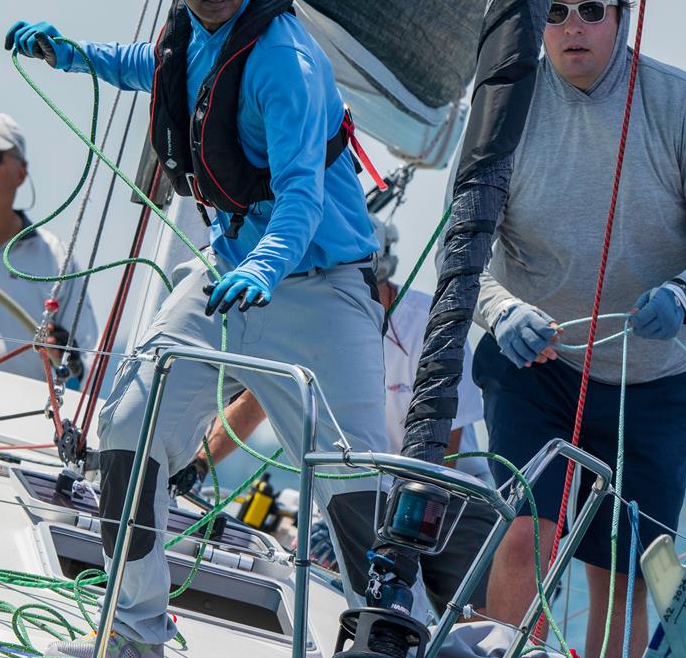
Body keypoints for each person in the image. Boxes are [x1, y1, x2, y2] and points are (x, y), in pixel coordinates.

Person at [6, 0, 390, 658]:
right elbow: (153, 68)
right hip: (226, 273)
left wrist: (263, 267)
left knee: (358, 480)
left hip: (318, 287)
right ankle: (136, 633)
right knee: (125, 428)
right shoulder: (192, 32)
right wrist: (71, 54)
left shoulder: (286, 62)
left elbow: (299, 199)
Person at [471, 0, 686, 658]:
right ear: (539, 25)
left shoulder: (679, 101)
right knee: (527, 537)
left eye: (592, 11)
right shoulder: (505, 105)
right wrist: (502, 313)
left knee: (624, 574)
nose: (574, 27)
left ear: (621, 20)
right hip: (539, 364)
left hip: (654, 378)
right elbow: (462, 251)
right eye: (557, 13)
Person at [172, 217, 494, 618]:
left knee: (470, 630)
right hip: (370, 496)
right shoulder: (318, 321)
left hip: (449, 501)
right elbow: (255, 402)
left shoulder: (430, 322)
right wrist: (198, 465)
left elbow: (447, 446)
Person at [0, 110, 97, 383]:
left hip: (15, 423)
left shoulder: (55, 258)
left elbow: (89, 366)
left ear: (21, 173)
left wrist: (71, 358)